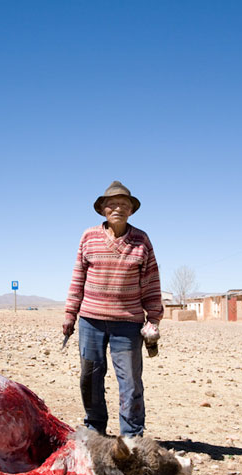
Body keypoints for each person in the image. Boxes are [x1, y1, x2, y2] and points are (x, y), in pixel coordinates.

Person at [63, 181, 163, 438]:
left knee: (130, 381)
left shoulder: (141, 240)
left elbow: (151, 281)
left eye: (124, 204)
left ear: (131, 210)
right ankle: (95, 428)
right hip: (90, 320)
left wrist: (153, 319)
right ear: (103, 209)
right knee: (90, 377)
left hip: (127, 323)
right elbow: (77, 279)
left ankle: (131, 435)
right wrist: (69, 315)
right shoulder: (88, 237)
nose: (118, 208)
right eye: (112, 204)